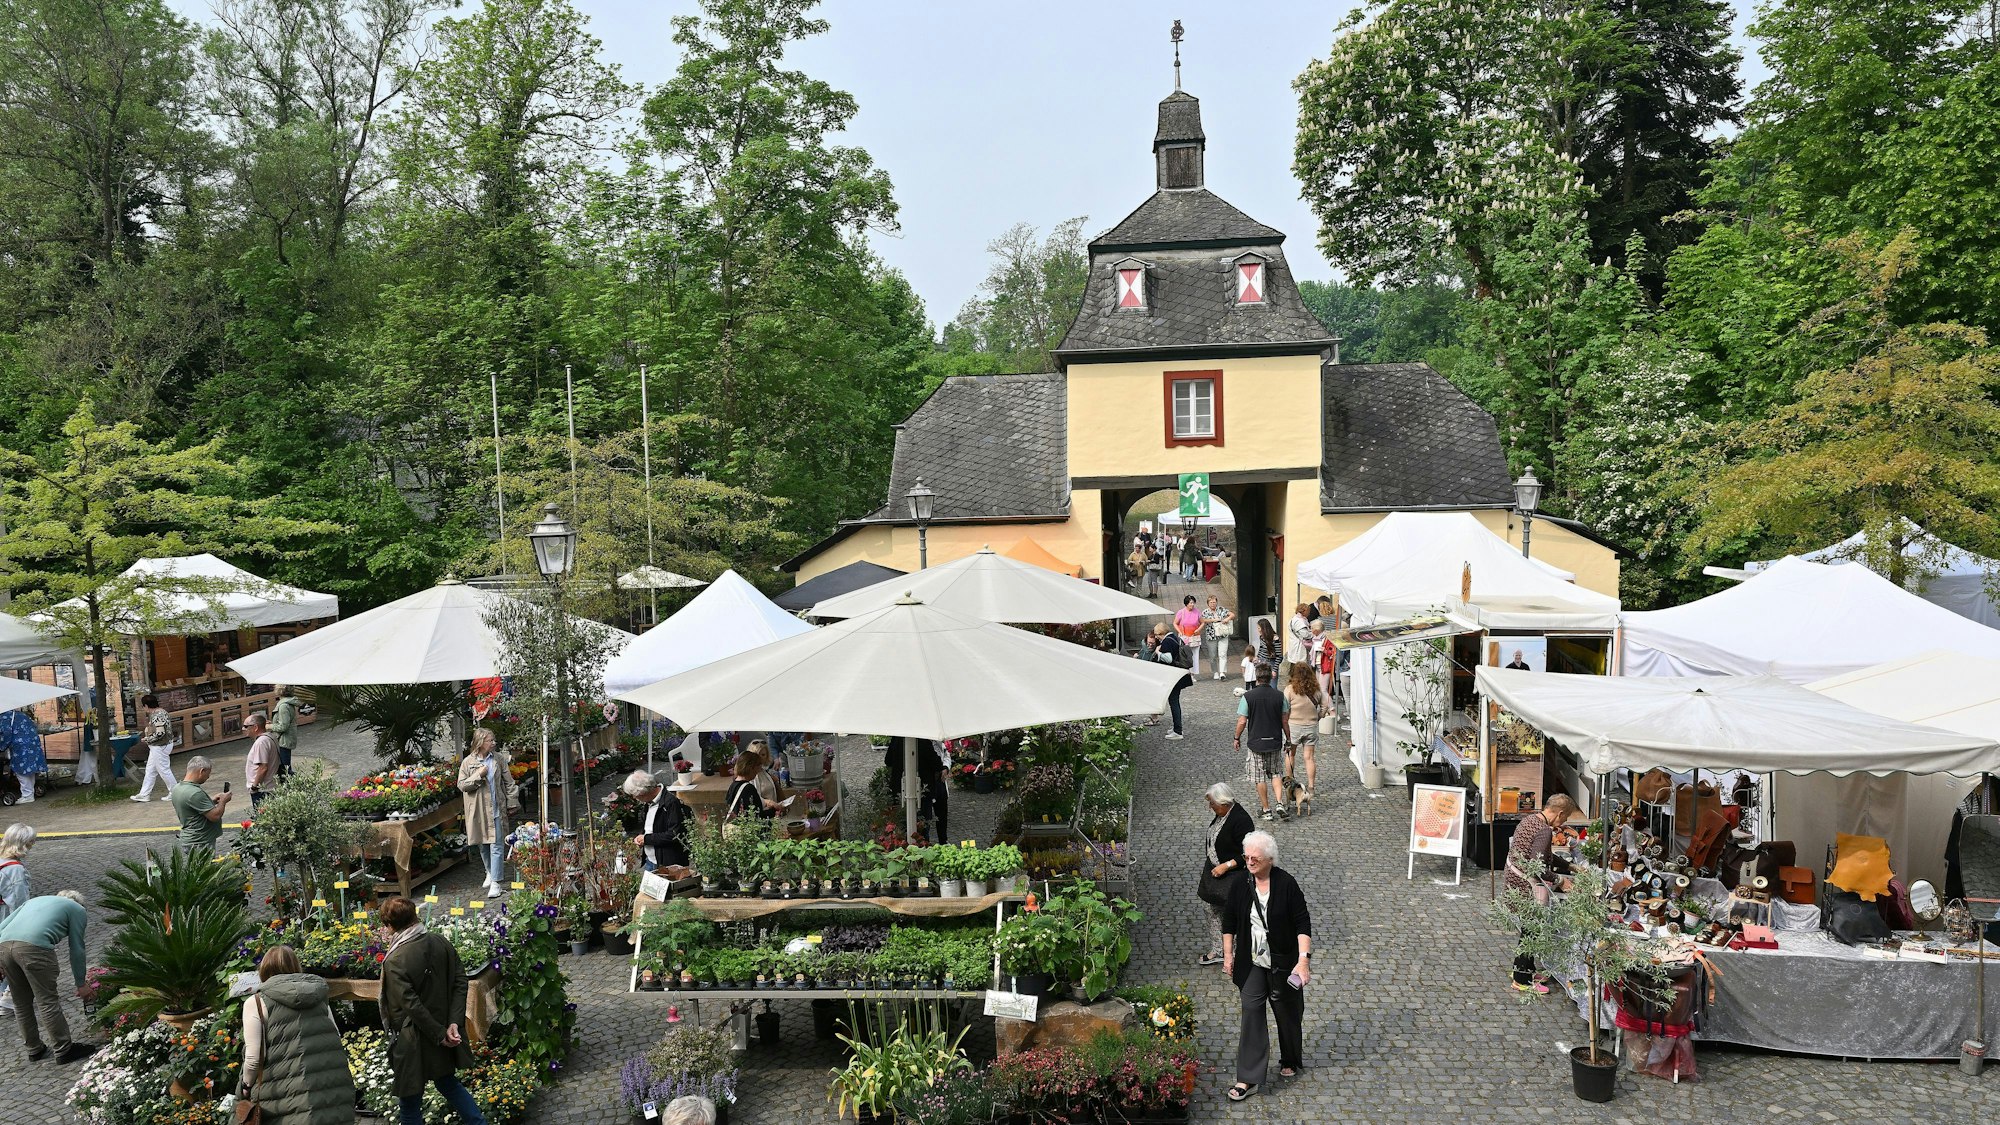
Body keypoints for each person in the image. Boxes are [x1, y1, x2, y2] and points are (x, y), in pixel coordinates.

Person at [378, 896, 485, 1125]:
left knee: (409, 1106)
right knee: (448, 1084)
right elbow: (460, 981)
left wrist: (439, 1034)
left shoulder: (395, 959)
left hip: (414, 1039)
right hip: (441, 1028)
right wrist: (453, 1023)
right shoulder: (440, 942)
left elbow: (411, 1005)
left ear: (391, 926)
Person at [1222, 831, 1310, 1101]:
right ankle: (1248, 1077)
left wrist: (1303, 960)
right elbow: (1229, 922)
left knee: (1287, 1012)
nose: (1249, 861)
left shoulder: (1286, 884)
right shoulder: (1240, 884)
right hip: (1252, 962)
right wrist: (1228, 956)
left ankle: (1290, 1057)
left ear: (1270, 859)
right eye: (1247, 857)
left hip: (1283, 961)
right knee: (1251, 1010)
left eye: (1255, 858)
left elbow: (1302, 923)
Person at [238, 944, 357, 1124]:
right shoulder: (318, 994)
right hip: (328, 1083)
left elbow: (254, 1058)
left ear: (264, 968)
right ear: (295, 966)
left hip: (283, 1093)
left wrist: (245, 1087)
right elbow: (335, 1035)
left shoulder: (255, 1002)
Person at [0, 889, 94, 1063]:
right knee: (47, 1000)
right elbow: (77, 948)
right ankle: (64, 1049)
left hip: (4, 947)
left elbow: (1, 927)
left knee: (20, 1003)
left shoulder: (35, 901)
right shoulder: (77, 909)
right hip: (34, 949)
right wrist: (81, 983)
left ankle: (34, 1049)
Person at [1505, 793, 1577, 994]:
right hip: (1525, 886)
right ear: (1560, 813)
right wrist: (1561, 880)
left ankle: (1524, 969)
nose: (1563, 823)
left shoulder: (1529, 820)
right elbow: (1537, 866)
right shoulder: (1544, 831)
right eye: (1565, 818)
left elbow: (1545, 856)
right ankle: (1521, 980)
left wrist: (1569, 866)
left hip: (1513, 880)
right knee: (1530, 931)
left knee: (1528, 929)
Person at [1198, 783, 1254, 968]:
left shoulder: (1241, 820)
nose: (1210, 808)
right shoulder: (1222, 814)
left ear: (1223, 803)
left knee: (1231, 912)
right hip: (1216, 871)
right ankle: (1220, 949)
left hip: (1232, 875)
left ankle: (1234, 952)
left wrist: (1227, 865)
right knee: (1211, 908)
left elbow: (1249, 853)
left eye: (1213, 804)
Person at [457, 729, 518, 897]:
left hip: (496, 807)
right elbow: (462, 785)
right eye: (490, 740)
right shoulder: (467, 763)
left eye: (493, 740)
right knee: (482, 844)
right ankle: (490, 872)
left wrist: (512, 802)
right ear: (480, 743)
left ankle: (496, 883)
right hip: (477, 810)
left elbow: (509, 783)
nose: (493, 743)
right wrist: (478, 775)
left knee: (497, 844)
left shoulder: (498, 759)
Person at [1233, 665, 1288, 820]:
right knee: (1276, 773)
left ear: (1256, 677)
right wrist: (1288, 739)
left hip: (1256, 743)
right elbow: (1285, 720)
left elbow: (1242, 721)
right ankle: (1279, 803)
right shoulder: (1280, 696)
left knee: (1260, 777)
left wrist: (1236, 737)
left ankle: (1266, 810)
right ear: (1271, 677)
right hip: (1275, 741)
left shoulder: (1248, 697)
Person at [624, 769, 693, 876]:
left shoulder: (670, 803)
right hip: (651, 859)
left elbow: (674, 835)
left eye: (636, 795)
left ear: (643, 792)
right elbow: (652, 825)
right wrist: (642, 836)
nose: (635, 798)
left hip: (666, 863)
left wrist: (646, 839)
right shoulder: (649, 802)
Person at [0, 824, 34, 1015]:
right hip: (6, 915)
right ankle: (8, 998)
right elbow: (19, 903)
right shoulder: (15, 870)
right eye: (30, 841)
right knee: (9, 953)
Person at [1282, 663, 1325, 810]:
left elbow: (1283, 708)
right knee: (1309, 758)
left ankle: (1290, 783)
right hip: (1311, 727)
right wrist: (1318, 717)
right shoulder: (1316, 690)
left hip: (1293, 726)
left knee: (1290, 755)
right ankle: (1311, 786)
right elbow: (1324, 706)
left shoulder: (1289, 689)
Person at [171, 756, 233, 852]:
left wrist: (211, 801)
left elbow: (191, 806)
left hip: (190, 839)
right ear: (202, 771)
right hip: (200, 842)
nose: (208, 777)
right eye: (208, 774)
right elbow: (215, 816)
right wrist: (223, 801)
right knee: (207, 867)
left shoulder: (177, 788)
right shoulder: (195, 793)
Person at [1149, 624, 1195, 741]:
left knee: (1174, 702)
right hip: (1179, 675)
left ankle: (1177, 731)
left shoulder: (1166, 642)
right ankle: (1176, 727)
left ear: (1161, 633)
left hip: (1173, 676)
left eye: (1157, 635)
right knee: (1174, 701)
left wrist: (1158, 652)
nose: (1157, 638)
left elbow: (1168, 659)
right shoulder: (1174, 638)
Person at [132, 693, 177, 802]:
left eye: (144, 706)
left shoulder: (157, 715)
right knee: (150, 770)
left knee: (163, 769)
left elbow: (160, 733)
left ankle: (175, 792)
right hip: (161, 745)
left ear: (146, 706)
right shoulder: (162, 712)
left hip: (160, 745)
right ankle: (144, 794)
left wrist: (147, 739)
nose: (144, 708)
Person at [0, 706, 42, 805]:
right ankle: (30, 792)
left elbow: (6, 735)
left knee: (20, 770)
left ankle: (27, 795)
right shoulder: (22, 715)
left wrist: (1, 747)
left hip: (20, 746)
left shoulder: (5, 717)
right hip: (33, 743)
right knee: (30, 769)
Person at [724, 752, 780, 820]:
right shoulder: (748, 788)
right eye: (758, 767)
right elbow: (756, 817)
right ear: (751, 768)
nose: (758, 771)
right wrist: (775, 811)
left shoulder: (733, 785)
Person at [244, 713, 277, 809]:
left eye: (246, 726)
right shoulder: (270, 737)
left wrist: (254, 787)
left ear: (255, 727)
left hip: (263, 791)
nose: (244, 729)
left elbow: (263, 768)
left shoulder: (261, 742)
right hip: (268, 788)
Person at [1201, 594, 1234, 680]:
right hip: (1211, 636)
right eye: (1211, 602)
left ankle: (1222, 672)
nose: (1213, 604)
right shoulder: (1205, 612)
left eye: (1214, 602)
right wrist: (1213, 620)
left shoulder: (1221, 609)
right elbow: (1203, 620)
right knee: (1212, 655)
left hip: (1223, 634)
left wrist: (1227, 619)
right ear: (1208, 603)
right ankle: (1215, 671)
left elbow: (1232, 615)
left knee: (1222, 654)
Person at [270, 687, 301, 779]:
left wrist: (269, 726)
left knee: (285, 770)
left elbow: (283, 726)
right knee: (284, 768)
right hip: (284, 739)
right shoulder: (287, 703)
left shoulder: (283, 706)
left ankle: (298, 785)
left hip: (283, 740)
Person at [1173, 595, 1205, 677]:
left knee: (1194, 655)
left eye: (1193, 603)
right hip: (1184, 637)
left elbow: (1202, 622)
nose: (1192, 605)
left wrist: (1198, 629)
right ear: (1186, 604)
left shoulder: (1197, 611)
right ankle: (1185, 673)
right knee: (1185, 655)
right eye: (1190, 603)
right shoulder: (1181, 612)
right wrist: (1179, 631)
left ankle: (1193, 674)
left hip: (1194, 636)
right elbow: (1175, 623)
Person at [1285, 603, 1312, 676]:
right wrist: (1314, 633)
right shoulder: (1299, 621)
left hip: (1295, 645)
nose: (1309, 613)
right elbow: (1305, 634)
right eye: (1308, 611)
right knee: (1300, 668)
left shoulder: (1294, 619)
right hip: (1299, 647)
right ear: (1304, 611)